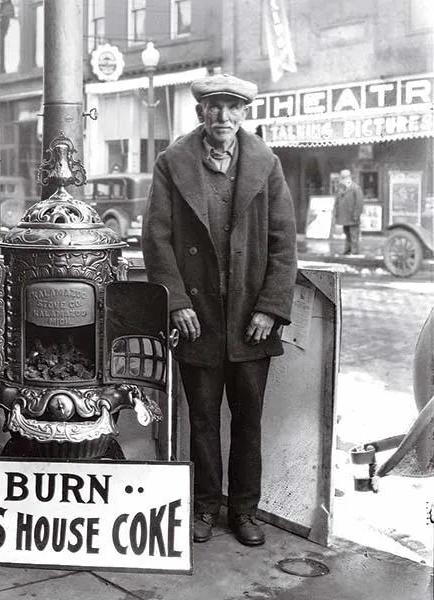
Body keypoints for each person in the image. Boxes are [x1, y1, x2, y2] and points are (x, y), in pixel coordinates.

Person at [142, 74, 297, 546]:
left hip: (252, 320)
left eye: (232, 108)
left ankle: (244, 511)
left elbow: (283, 243)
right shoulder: (173, 163)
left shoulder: (266, 163)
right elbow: (157, 238)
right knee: (204, 418)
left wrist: (270, 308)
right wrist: (176, 302)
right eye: (214, 108)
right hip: (199, 317)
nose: (223, 117)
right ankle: (206, 507)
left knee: (248, 420)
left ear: (244, 114)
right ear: (200, 114)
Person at [334, 169, 364, 255]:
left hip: (352, 216)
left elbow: (359, 203)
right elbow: (337, 202)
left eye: (345, 177)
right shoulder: (341, 188)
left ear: (350, 178)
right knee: (347, 234)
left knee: (354, 235)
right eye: (342, 177)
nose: (343, 179)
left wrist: (356, 214)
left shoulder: (355, 188)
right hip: (344, 217)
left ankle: (354, 252)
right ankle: (348, 250)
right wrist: (336, 213)